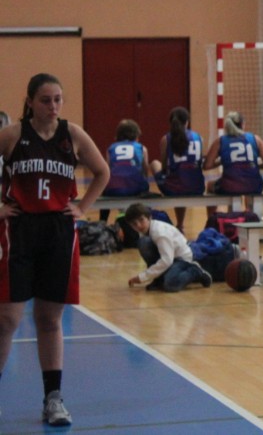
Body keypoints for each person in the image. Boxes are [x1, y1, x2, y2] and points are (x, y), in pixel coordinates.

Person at [0, 73, 110, 426]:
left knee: (49, 319)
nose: (53, 106)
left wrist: (83, 208)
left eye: (58, 99)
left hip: (59, 232)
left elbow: (102, 172)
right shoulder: (12, 135)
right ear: (30, 101)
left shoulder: (72, 134)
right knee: (7, 319)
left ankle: (53, 399)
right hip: (19, 230)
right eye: (46, 100)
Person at [124, 203, 213, 292]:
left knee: (170, 285)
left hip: (181, 259)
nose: (139, 225)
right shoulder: (145, 232)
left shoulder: (160, 233)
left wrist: (142, 277)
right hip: (169, 258)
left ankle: (195, 270)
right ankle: (159, 278)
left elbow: (167, 260)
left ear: (149, 218)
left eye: (141, 220)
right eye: (134, 224)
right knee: (144, 243)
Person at [155, 107, 205, 232]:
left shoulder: (166, 139)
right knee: (183, 178)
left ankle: (180, 225)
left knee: (155, 165)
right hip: (197, 187)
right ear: (187, 121)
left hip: (173, 188)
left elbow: (164, 167)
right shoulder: (199, 138)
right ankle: (182, 224)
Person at [100, 119, 161, 222]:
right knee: (144, 186)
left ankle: (102, 221)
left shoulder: (111, 148)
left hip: (114, 190)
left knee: (104, 191)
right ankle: (145, 219)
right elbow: (145, 171)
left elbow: (108, 170)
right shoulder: (142, 148)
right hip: (136, 189)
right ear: (136, 135)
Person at [203, 111, 263, 196]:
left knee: (210, 185)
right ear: (242, 124)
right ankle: (249, 208)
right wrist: (256, 165)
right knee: (249, 186)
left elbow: (207, 166)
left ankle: (216, 210)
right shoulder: (256, 139)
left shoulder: (220, 141)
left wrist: (221, 162)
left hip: (228, 187)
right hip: (254, 186)